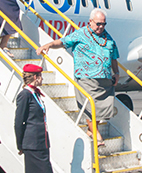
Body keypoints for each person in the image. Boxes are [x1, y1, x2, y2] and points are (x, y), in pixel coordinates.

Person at [37, 8, 120, 146]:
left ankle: (90, 130)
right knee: (90, 105)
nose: (101, 27)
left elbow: (113, 57)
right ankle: (96, 134)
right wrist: (50, 45)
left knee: (101, 107)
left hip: (104, 79)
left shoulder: (107, 37)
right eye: (98, 24)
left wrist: (116, 73)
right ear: (90, 22)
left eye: (103, 24)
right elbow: (63, 42)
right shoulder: (80, 34)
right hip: (86, 77)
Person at [14, 64, 54, 173]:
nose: (42, 79)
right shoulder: (25, 95)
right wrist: (20, 143)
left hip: (41, 141)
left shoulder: (35, 95)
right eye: (40, 76)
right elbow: (19, 122)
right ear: (35, 77)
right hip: (32, 143)